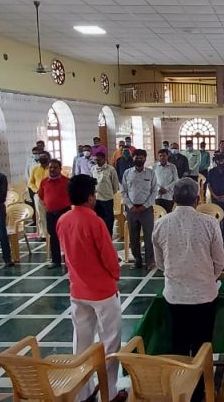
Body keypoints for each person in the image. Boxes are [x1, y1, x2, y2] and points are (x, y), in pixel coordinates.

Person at [152, 177, 224, 402]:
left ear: (173, 198)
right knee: (203, 345)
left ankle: (181, 389)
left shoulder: (161, 224)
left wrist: (179, 276)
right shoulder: (209, 223)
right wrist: (206, 278)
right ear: (198, 198)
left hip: (175, 296)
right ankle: (201, 392)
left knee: (179, 344)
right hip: (205, 295)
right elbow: (220, 261)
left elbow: (160, 263)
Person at [56, 174, 122, 402]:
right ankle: (109, 393)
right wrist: (115, 274)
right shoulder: (95, 222)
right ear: (91, 197)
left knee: (81, 342)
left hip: (77, 290)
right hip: (102, 291)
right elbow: (109, 257)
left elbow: (67, 254)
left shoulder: (63, 220)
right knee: (110, 341)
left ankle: (83, 393)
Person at [121, 149, 158, 269]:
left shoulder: (151, 173)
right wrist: (130, 206)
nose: (139, 160)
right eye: (136, 157)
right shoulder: (127, 173)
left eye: (141, 158)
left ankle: (150, 261)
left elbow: (154, 191)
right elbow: (123, 191)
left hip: (146, 209)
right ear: (133, 158)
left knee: (149, 236)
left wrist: (145, 206)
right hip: (131, 209)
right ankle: (137, 260)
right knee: (133, 236)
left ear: (145, 159)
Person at [39, 159, 71, 269]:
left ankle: (69, 260)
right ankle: (56, 261)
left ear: (60, 169)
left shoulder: (67, 181)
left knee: (66, 237)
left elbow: (72, 196)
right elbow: (41, 196)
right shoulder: (44, 182)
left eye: (55, 167)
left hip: (64, 212)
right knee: (53, 237)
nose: (52, 169)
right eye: (50, 167)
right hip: (50, 213)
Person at [91, 152, 120, 236]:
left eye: (99, 160)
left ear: (104, 159)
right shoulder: (93, 169)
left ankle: (108, 237)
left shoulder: (111, 169)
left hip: (107, 199)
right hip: (96, 199)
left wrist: (110, 192)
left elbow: (115, 185)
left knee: (108, 220)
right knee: (98, 220)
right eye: (96, 160)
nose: (97, 162)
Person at [28, 150, 51, 240]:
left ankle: (52, 233)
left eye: (44, 157)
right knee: (41, 216)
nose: (42, 158)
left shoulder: (51, 168)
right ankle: (43, 234)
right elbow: (31, 183)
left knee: (51, 215)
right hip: (38, 195)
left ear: (48, 158)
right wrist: (36, 190)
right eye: (41, 157)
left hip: (50, 195)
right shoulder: (35, 169)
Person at [154, 149, 179, 213]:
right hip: (158, 195)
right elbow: (153, 180)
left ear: (167, 156)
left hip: (168, 195)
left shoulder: (172, 167)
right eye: (160, 156)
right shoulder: (155, 166)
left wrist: (166, 189)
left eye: (164, 156)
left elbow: (176, 180)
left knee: (168, 213)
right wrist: (159, 189)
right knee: (158, 213)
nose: (162, 157)